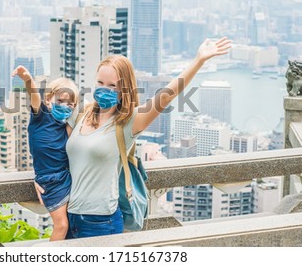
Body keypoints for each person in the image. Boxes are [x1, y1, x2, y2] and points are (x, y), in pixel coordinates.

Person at [35, 37, 232, 239]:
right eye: (100, 82)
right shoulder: (82, 114)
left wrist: (199, 60)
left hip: (102, 223)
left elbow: (167, 95)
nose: (104, 89)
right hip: (69, 219)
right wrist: (41, 176)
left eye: (113, 86)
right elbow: (48, 140)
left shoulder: (128, 122)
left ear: (125, 89)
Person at [12, 65, 79, 241]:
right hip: (49, 181)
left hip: (67, 178)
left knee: (72, 226)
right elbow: (33, 94)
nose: (65, 107)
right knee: (62, 225)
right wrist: (27, 79)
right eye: (61, 101)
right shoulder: (41, 116)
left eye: (70, 105)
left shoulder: (67, 127)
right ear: (49, 99)